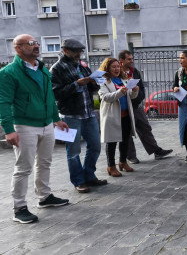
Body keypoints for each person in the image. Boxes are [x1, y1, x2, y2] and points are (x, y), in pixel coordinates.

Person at [0, 34, 69, 224]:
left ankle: (44, 197)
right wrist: (8, 129)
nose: (36, 46)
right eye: (31, 44)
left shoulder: (43, 70)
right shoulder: (8, 73)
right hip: (24, 126)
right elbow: (3, 102)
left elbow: (49, 97)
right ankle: (19, 207)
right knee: (23, 168)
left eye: (36, 43)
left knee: (45, 163)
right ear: (18, 48)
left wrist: (56, 119)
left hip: (46, 124)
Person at [50, 39, 107, 194]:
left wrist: (94, 82)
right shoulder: (56, 69)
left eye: (80, 51)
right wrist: (77, 84)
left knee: (95, 146)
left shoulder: (83, 65)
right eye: (75, 51)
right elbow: (55, 94)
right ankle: (78, 181)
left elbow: (93, 87)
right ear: (64, 50)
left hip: (88, 114)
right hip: (69, 116)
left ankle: (89, 175)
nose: (78, 54)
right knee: (73, 151)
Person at [118, 50, 173, 164]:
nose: (132, 61)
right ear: (121, 61)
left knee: (145, 127)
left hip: (137, 105)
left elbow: (141, 87)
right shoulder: (117, 72)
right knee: (127, 132)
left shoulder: (135, 72)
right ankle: (130, 156)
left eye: (132, 58)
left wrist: (140, 97)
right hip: (124, 107)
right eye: (129, 59)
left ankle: (156, 151)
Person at [98, 57, 139, 177]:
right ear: (107, 68)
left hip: (125, 114)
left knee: (125, 140)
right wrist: (120, 92)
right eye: (113, 67)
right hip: (112, 115)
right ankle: (111, 166)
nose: (116, 69)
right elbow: (105, 97)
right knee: (112, 142)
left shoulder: (124, 79)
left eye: (117, 66)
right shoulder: (103, 81)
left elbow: (130, 96)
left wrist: (134, 90)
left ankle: (123, 162)